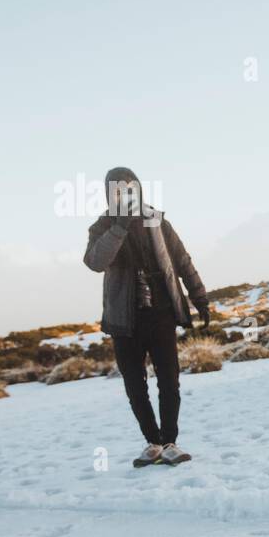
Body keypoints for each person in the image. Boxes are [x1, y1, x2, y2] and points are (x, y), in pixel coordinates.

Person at [83, 167, 210, 468]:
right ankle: (151, 442)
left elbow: (182, 260)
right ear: (108, 194)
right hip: (124, 320)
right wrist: (119, 227)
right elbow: (95, 262)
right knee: (135, 386)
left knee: (169, 381)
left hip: (161, 313)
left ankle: (170, 443)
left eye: (129, 188)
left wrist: (200, 297)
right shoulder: (101, 227)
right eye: (117, 190)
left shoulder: (158, 220)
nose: (124, 194)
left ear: (138, 190)